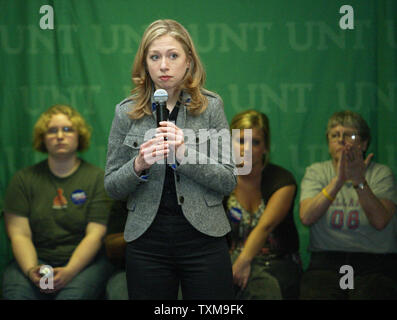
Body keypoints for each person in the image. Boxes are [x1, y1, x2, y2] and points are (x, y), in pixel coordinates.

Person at [104, 19, 236, 300]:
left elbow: (228, 180)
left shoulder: (211, 107)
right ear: (145, 64)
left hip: (204, 238)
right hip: (147, 241)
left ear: (188, 61)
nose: (164, 65)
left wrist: (184, 154)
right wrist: (138, 164)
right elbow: (112, 186)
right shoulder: (125, 113)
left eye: (173, 56)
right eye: (155, 57)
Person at [2, 104, 114, 300]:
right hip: (36, 260)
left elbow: (95, 235)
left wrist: (69, 271)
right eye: (52, 130)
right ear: (42, 138)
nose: (60, 136)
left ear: (79, 136)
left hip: (84, 264)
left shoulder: (97, 178)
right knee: (16, 294)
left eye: (68, 129)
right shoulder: (23, 179)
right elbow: (19, 234)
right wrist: (31, 270)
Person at [299, 110, 397, 300]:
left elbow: (380, 221)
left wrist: (359, 181)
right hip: (326, 263)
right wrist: (338, 182)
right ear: (328, 143)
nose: (341, 140)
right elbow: (307, 217)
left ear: (364, 143)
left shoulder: (381, 174)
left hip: (374, 264)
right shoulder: (317, 172)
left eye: (350, 135)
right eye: (335, 135)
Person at [225, 110, 301, 299]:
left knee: (264, 287)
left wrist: (243, 262)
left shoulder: (282, 180)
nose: (247, 149)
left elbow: (265, 227)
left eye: (255, 142)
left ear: (265, 147)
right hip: (229, 262)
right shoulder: (220, 180)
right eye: (241, 141)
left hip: (277, 263)